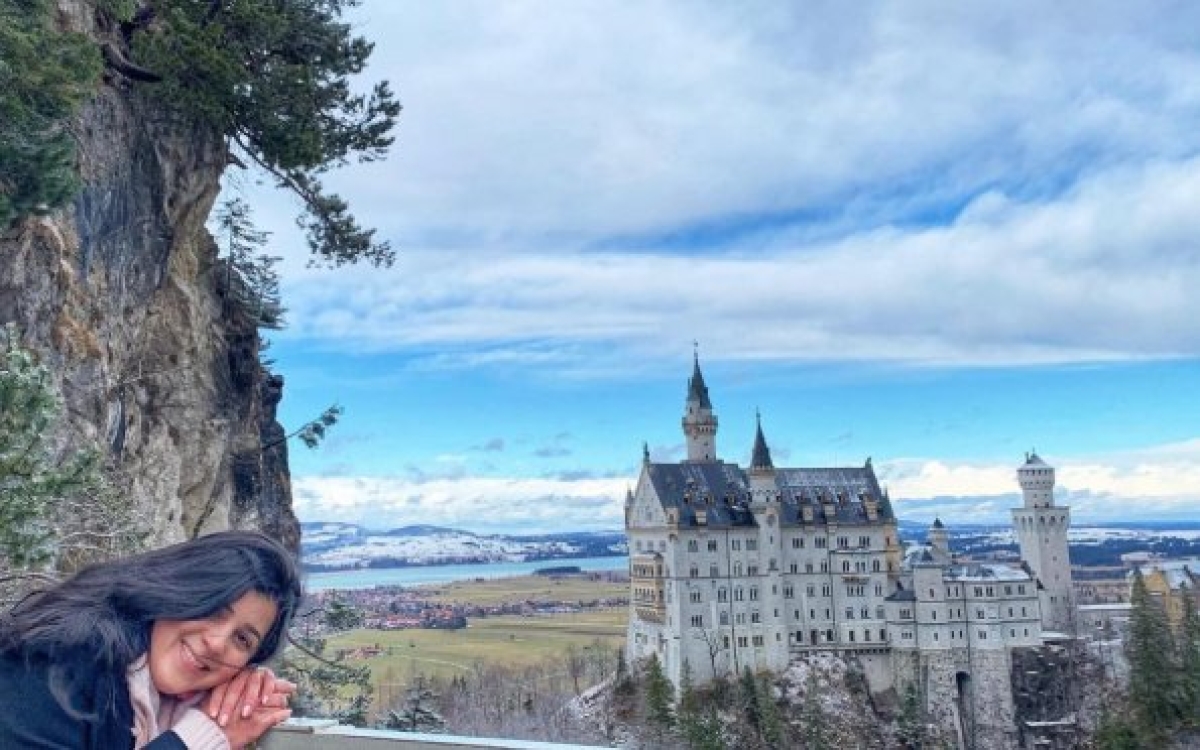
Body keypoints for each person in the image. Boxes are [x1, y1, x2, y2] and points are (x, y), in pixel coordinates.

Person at [0, 531, 303, 749]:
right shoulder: (54, 659)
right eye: (211, 609)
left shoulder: (156, 695)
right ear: (172, 589)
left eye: (242, 639)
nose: (215, 642)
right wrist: (201, 736)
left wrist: (246, 696)